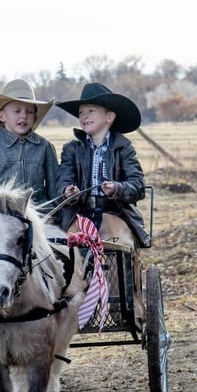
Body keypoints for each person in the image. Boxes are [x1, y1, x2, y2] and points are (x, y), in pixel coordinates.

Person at [55, 82, 151, 325]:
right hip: (80, 213)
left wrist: (117, 188)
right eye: (81, 113)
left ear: (109, 116)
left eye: (91, 111)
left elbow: (137, 185)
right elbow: (63, 178)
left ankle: (124, 307)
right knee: (68, 248)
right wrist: (69, 191)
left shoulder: (123, 148)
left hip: (113, 211)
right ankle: (75, 308)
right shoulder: (73, 149)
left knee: (120, 246)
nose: (84, 116)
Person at [0, 79, 59, 214]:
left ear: (35, 117)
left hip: (40, 214)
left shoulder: (44, 147)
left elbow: (54, 189)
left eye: (29, 112)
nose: (23, 116)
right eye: (17, 111)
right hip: (1, 215)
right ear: (2, 116)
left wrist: (55, 216)